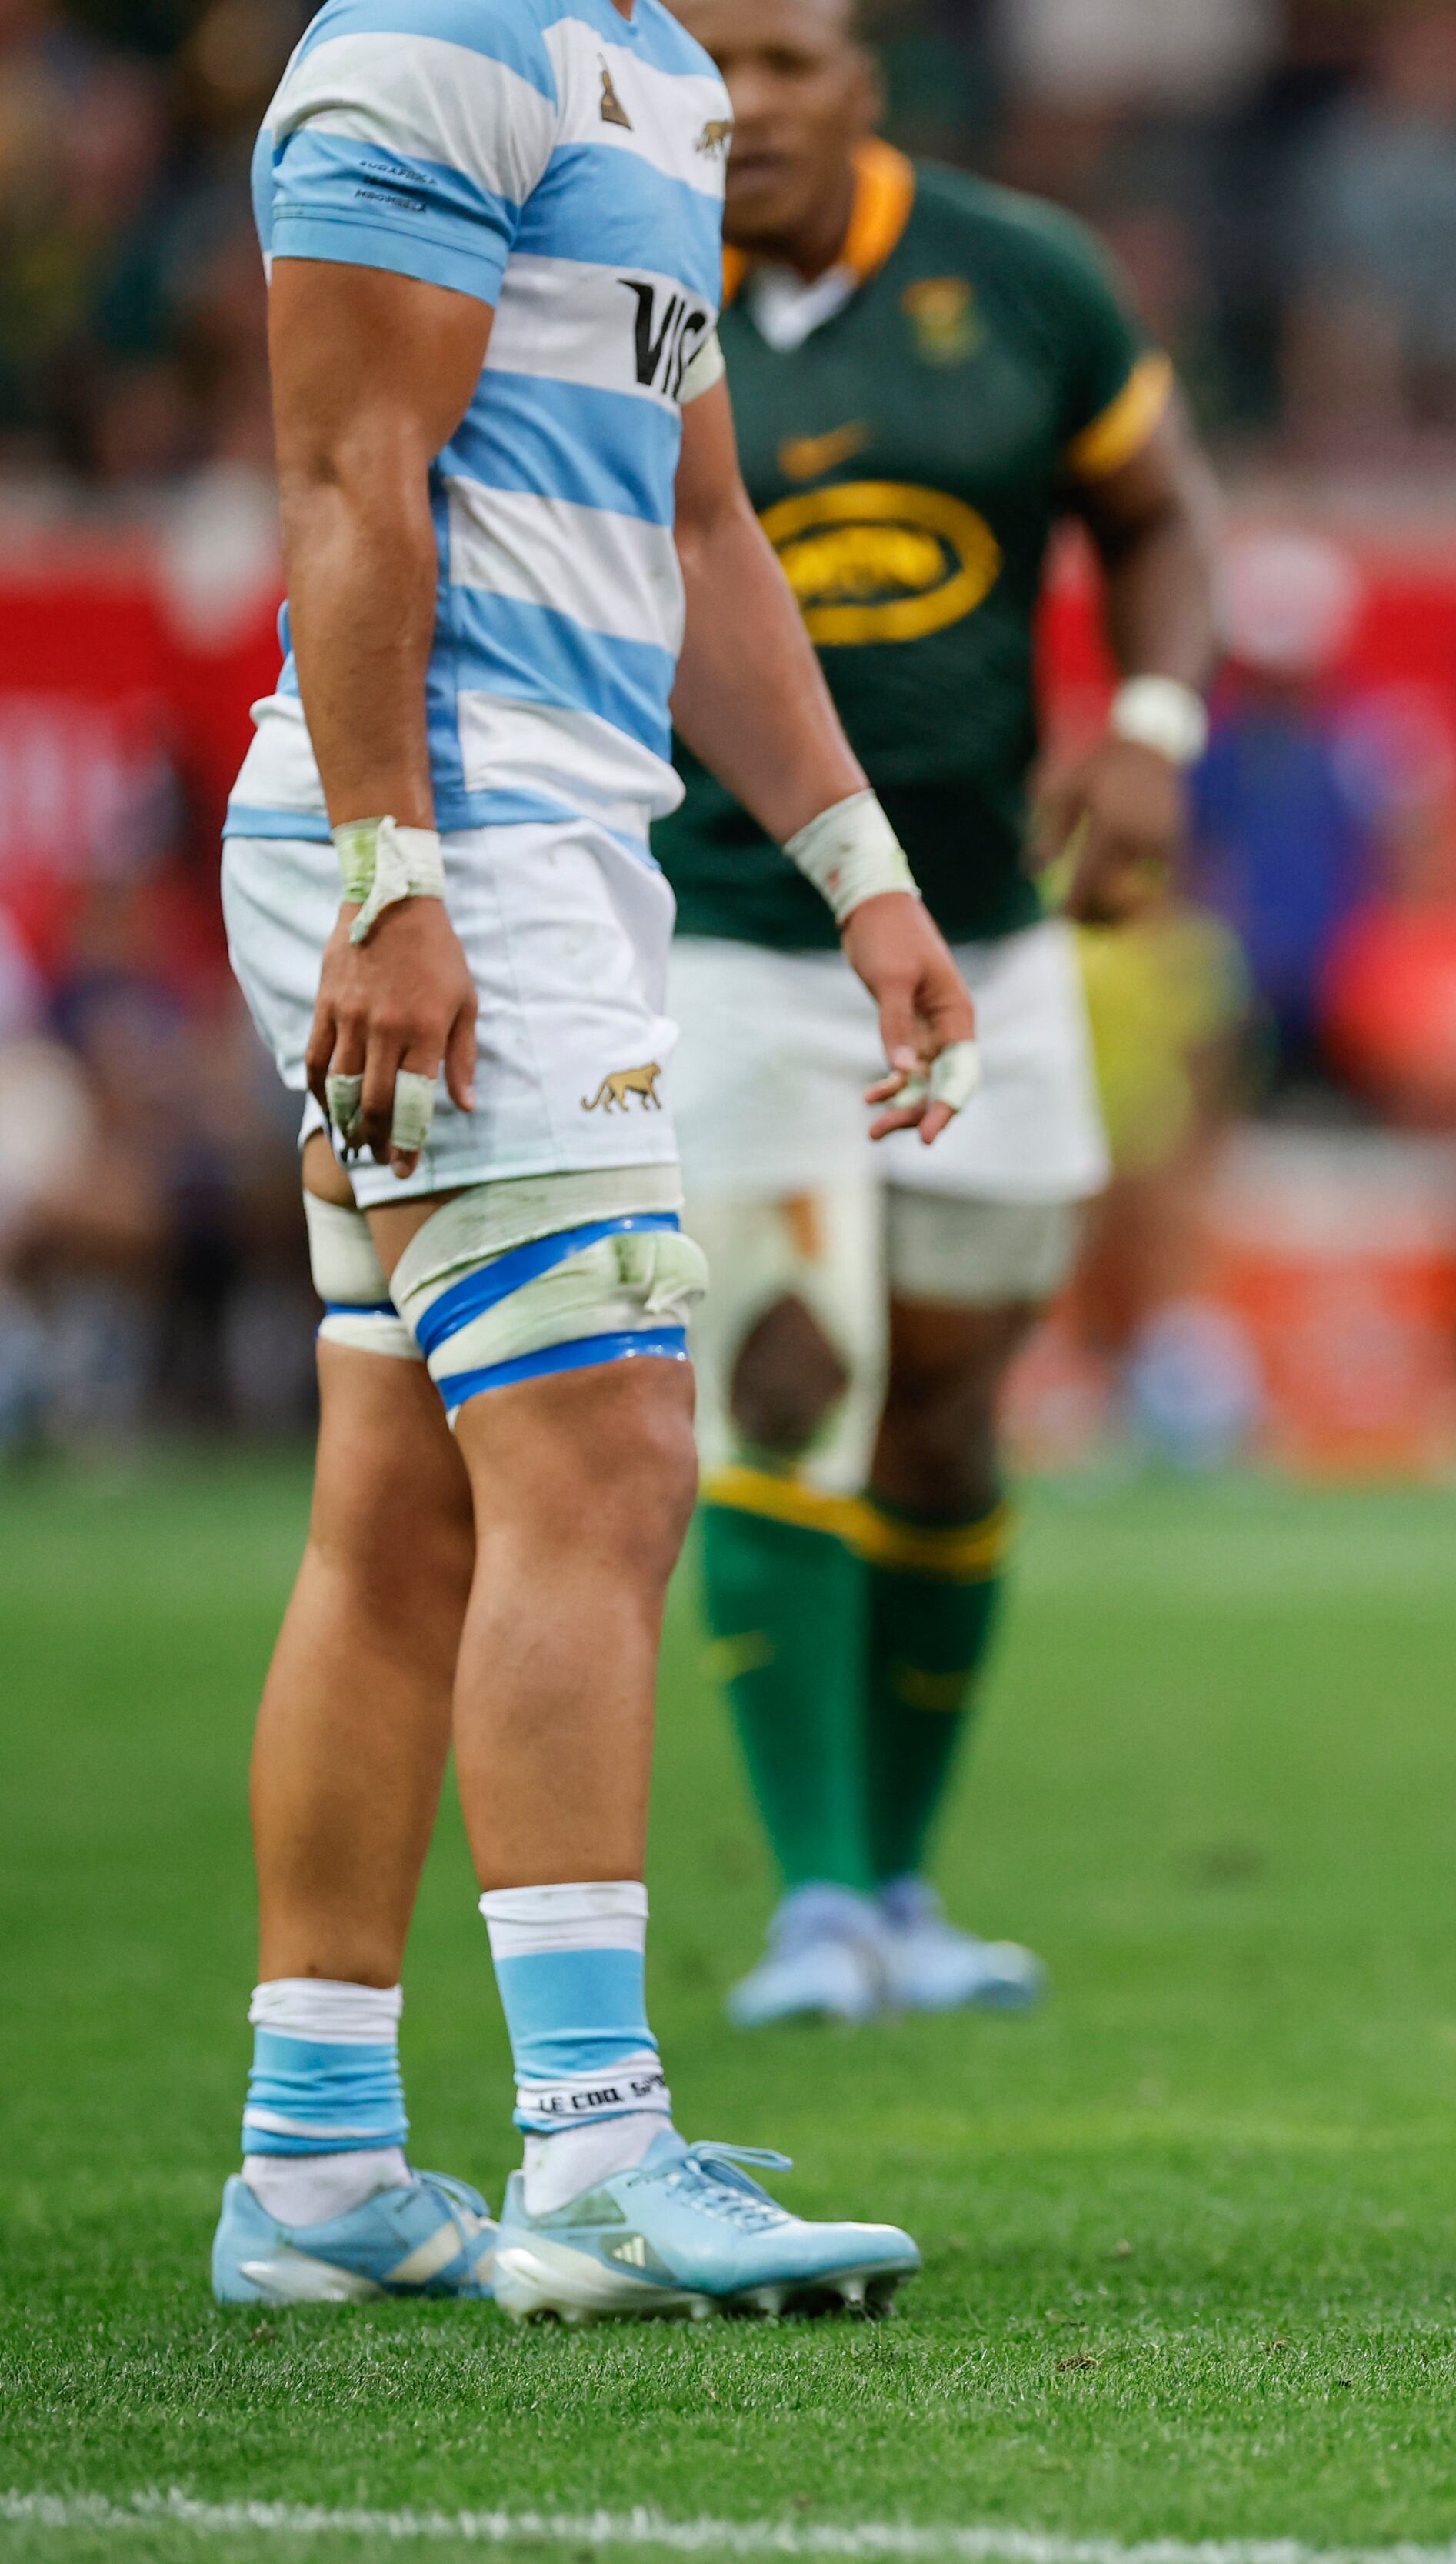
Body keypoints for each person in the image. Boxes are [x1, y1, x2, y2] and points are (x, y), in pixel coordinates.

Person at [205, 0, 978, 2319]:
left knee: (411, 1495)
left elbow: (700, 519)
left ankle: (321, 2161)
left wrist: (861, 867)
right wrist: (388, 878)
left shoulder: (655, 69)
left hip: (548, 845)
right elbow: (350, 475)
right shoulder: (419, 43)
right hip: (451, 849)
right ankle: (597, 2150)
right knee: (619, 1452)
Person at [658, 0, 1220, 2030]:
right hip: (722, 926)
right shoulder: (617, 277)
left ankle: (900, 1879)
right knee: (789, 1369)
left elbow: (1163, 510)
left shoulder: (1025, 276)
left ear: (865, 79)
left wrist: (1152, 722)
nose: (748, 106)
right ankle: (813, 1895)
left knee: (956, 1401)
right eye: (707, 60)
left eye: (788, 60)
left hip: (993, 935)